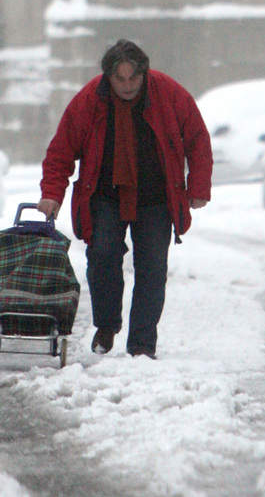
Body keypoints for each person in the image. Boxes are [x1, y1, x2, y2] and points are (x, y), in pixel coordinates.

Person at [37, 38, 212, 359]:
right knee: (102, 258)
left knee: (152, 269)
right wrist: (52, 193)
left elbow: (197, 138)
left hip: (157, 199)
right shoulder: (90, 100)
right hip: (104, 196)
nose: (128, 86)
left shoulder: (169, 94)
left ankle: (142, 345)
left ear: (145, 74)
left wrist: (198, 186)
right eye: (120, 79)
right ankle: (106, 324)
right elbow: (62, 149)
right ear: (108, 77)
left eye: (134, 78)